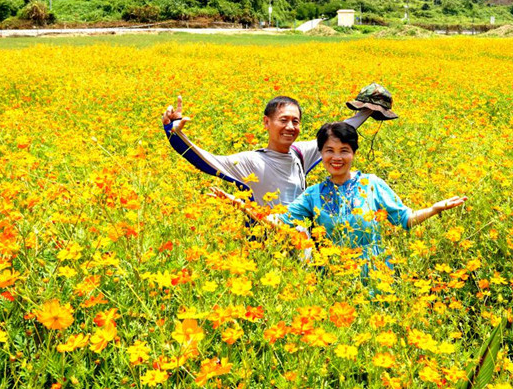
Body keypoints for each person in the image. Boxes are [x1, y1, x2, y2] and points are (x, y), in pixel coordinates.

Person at [212, 121, 466, 266]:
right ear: (320, 154)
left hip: (376, 271)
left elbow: (405, 219)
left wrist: (435, 209)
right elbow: (279, 222)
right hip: (333, 272)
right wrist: (241, 205)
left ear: (353, 153)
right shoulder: (313, 195)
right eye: (329, 150)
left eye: (344, 150)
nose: (337, 157)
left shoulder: (372, 184)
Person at [162, 84, 397, 207]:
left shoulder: (300, 152)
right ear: (267, 122)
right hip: (267, 243)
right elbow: (202, 159)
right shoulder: (250, 161)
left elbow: (339, 131)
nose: (290, 127)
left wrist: (369, 107)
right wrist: (173, 132)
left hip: (303, 240)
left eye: (295, 122)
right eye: (283, 120)